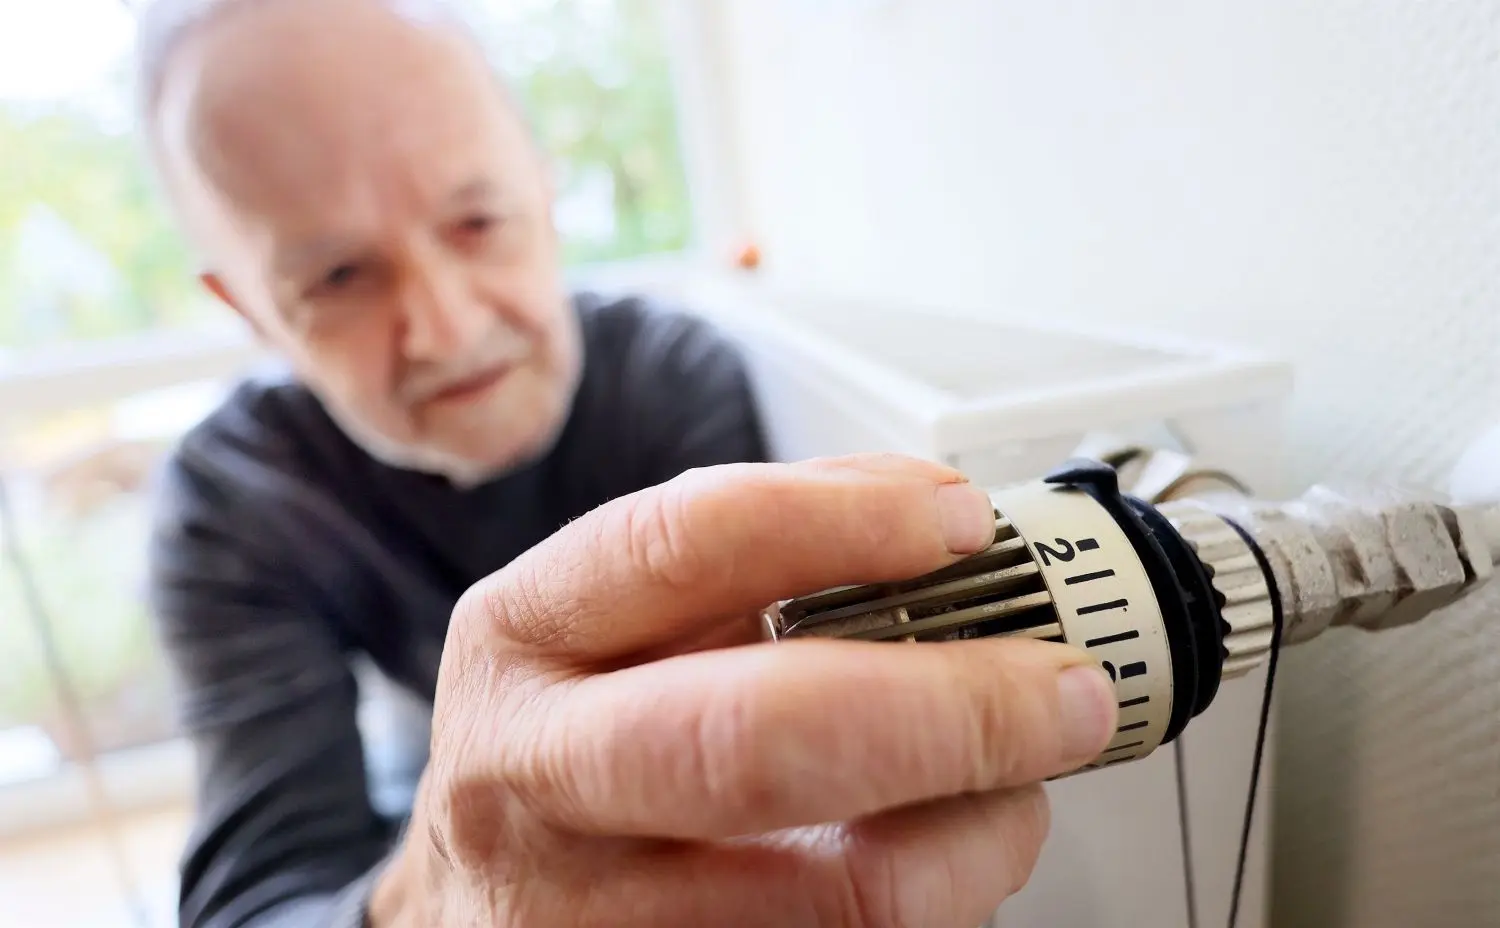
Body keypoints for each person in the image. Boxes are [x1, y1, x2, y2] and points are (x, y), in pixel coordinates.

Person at [135, 1, 1120, 926]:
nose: (446, 327)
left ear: (546, 188)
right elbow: (257, 896)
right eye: (338, 276)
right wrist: (430, 886)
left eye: (477, 221)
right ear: (248, 310)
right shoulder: (230, 499)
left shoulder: (670, 377)